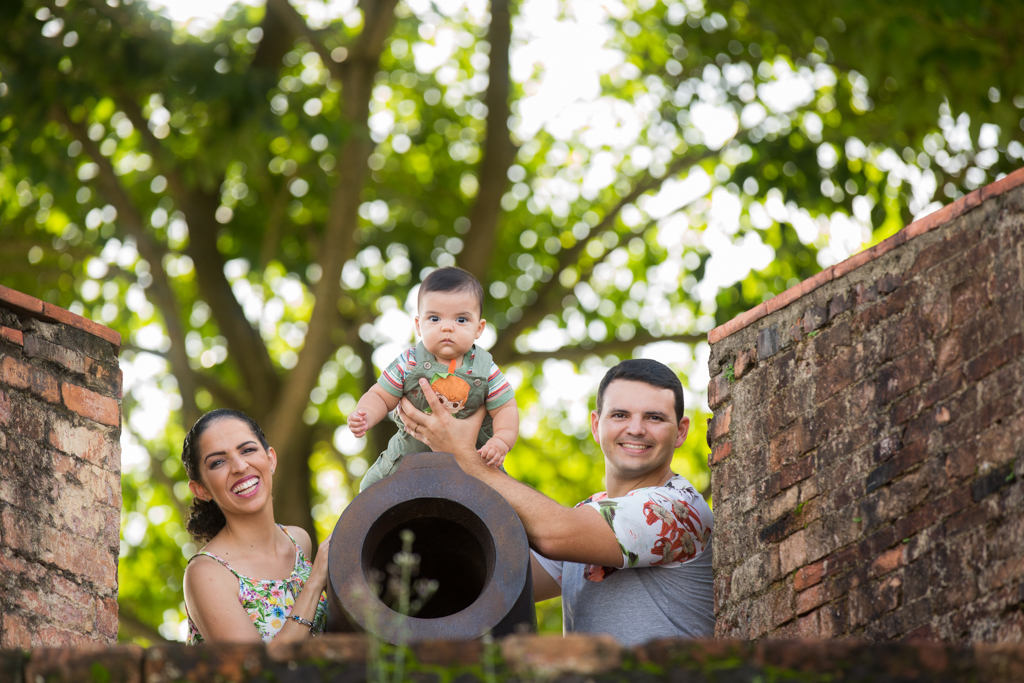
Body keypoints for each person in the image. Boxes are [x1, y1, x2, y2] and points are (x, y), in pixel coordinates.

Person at [397, 358, 714, 645]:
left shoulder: (679, 509)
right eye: (620, 415)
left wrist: (464, 457)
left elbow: (556, 533)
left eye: (654, 418)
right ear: (595, 425)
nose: (636, 429)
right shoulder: (588, 515)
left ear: (681, 431)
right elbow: (495, 578)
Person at [348, 267, 519, 491]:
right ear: (419, 326)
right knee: (370, 491)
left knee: (504, 501)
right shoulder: (408, 362)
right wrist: (366, 414)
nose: (447, 327)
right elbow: (380, 395)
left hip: (473, 458)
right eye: (435, 318)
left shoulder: (486, 369)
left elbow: (506, 408)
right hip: (409, 454)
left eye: (461, 319)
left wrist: (501, 441)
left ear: (479, 328)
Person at [181, 409, 329, 644]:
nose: (239, 466)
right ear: (202, 489)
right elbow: (258, 673)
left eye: (248, 450)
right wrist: (315, 583)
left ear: (270, 459)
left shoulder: (299, 541)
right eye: (218, 462)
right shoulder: (206, 573)